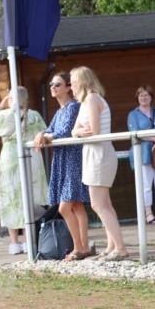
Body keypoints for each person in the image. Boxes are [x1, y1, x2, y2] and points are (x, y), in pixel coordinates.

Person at [0, 88, 48, 255]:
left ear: (10, 98)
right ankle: (28, 241)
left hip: (11, 158)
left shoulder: (5, 115)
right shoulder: (34, 115)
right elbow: (45, 132)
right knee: (30, 198)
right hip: (31, 157)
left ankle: (14, 243)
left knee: (11, 199)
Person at [70, 67, 128, 261]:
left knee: (98, 204)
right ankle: (112, 245)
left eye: (73, 82)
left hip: (99, 153)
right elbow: (75, 130)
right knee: (105, 203)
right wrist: (79, 132)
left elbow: (93, 131)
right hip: (93, 153)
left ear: (82, 82)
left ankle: (120, 248)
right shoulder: (85, 102)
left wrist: (82, 131)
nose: (71, 86)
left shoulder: (93, 99)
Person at [33, 72, 92, 260]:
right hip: (62, 159)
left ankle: (79, 247)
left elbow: (64, 132)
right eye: (51, 84)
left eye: (57, 84)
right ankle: (83, 246)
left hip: (72, 159)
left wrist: (46, 136)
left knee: (64, 208)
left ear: (68, 87)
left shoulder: (74, 107)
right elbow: (51, 130)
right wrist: (42, 134)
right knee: (76, 205)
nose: (53, 87)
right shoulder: (60, 111)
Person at [127, 85, 155, 224]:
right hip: (143, 154)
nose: (143, 98)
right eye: (141, 95)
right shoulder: (133, 115)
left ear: (151, 97)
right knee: (146, 185)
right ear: (137, 98)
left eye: (146, 95)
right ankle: (148, 214)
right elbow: (134, 133)